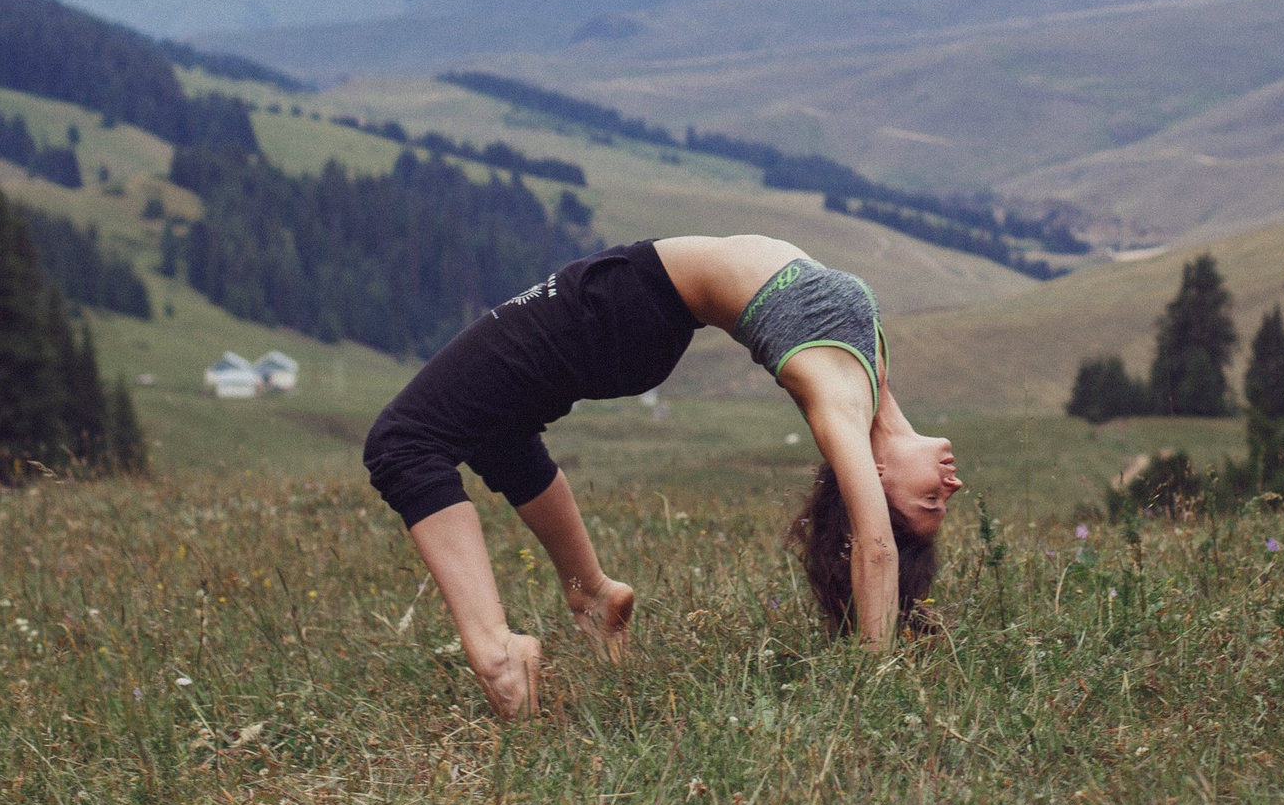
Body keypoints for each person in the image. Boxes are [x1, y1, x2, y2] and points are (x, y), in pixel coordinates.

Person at [363, 235, 963, 718]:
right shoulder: (871, 378)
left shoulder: (841, 407)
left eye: (930, 501)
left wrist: (875, 678)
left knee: (403, 441)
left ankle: (496, 651)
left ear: (876, 477)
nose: (952, 486)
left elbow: (876, 548)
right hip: (645, 313)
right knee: (496, 425)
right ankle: (592, 593)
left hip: (627, 304)